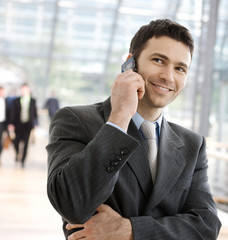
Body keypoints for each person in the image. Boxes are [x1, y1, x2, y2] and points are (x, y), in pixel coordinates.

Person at [46, 19, 222, 239]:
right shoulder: (76, 120)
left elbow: (206, 226)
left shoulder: (192, 145)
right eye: (158, 60)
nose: (168, 76)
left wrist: (131, 230)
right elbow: (72, 205)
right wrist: (119, 117)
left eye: (179, 68)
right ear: (130, 63)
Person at [8, 83, 38, 168]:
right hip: (17, 125)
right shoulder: (16, 100)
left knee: (26, 143)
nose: (23, 91)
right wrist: (11, 124)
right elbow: (12, 113)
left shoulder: (33, 101)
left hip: (28, 125)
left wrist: (36, 124)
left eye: (25, 89)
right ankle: (17, 153)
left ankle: (23, 160)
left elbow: (34, 113)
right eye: (22, 90)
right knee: (15, 142)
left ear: (28, 90)